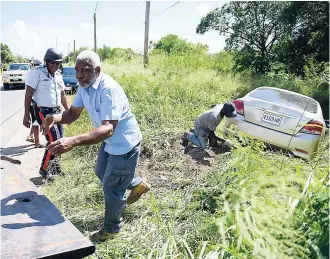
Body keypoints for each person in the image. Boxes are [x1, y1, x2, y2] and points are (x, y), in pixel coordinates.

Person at [42, 50, 150, 242]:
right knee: (101, 171)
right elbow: (72, 114)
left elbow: (108, 128)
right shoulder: (85, 86)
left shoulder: (108, 90)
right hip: (110, 142)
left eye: (84, 70)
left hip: (124, 144)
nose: (79, 74)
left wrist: (73, 141)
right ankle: (137, 183)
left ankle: (111, 229)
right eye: (77, 70)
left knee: (111, 188)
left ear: (97, 70)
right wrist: (54, 118)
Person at [23, 48, 69, 180]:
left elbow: (63, 95)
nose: (55, 66)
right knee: (53, 141)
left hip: (57, 112)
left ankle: (56, 168)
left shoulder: (59, 75)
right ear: (46, 62)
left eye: (58, 63)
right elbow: (28, 95)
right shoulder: (37, 73)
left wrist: (67, 111)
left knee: (60, 141)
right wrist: (26, 115)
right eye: (53, 63)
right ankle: (44, 169)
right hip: (43, 111)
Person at [26, 59, 44, 148]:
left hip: (38, 101)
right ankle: (37, 142)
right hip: (34, 102)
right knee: (36, 121)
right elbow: (29, 91)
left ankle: (31, 136)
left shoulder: (34, 72)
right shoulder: (32, 73)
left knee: (36, 121)